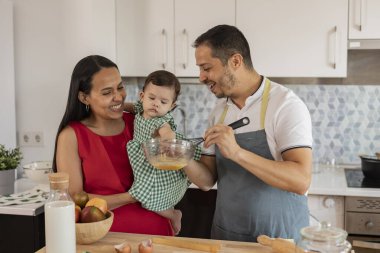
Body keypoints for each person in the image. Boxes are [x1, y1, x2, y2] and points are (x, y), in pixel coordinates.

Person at [183, 25, 313, 242]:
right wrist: (178, 156)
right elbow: (206, 181)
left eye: (206, 68)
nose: (201, 77)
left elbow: (300, 180)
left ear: (235, 61)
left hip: (279, 240)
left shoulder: (285, 105)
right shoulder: (219, 112)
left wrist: (236, 152)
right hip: (228, 237)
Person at [52, 55, 173, 235]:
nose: (118, 97)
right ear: (84, 97)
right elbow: (75, 199)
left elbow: (167, 175)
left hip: (157, 233)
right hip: (104, 237)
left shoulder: (139, 124)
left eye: (120, 87)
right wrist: (132, 197)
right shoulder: (71, 136)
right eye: (107, 92)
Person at [123, 70, 201, 235]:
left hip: (156, 161)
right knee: (145, 198)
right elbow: (131, 107)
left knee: (147, 200)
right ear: (142, 96)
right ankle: (171, 211)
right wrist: (119, 106)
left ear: (171, 106)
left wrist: (167, 141)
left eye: (163, 102)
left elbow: (167, 132)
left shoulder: (162, 120)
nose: (156, 104)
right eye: (152, 98)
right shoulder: (140, 108)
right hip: (143, 159)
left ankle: (174, 215)